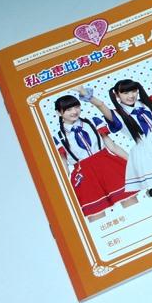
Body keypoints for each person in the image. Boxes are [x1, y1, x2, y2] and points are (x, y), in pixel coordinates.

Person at [78, 81, 152, 192]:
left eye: (133, 91)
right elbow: (100, 105)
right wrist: (84, 92)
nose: (131, 95)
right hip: (147, 153)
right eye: (125, 93)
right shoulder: (116, 114)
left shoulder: (150, 102)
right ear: (117, 95)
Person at [53, 94, 138, 222]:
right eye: (68, 109)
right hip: (85, 175)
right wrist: (62, 189)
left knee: (130, 202)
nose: (74, 111)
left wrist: (133, 162)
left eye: (76, 107)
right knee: (95, 215)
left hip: (108, 166)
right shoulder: (58, 137)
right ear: (59, 113)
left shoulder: (93, 122)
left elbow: (112, 146)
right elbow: (63, 166)